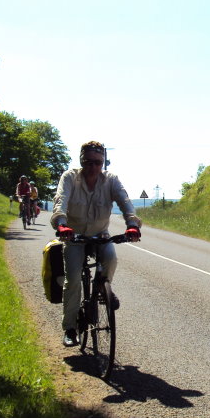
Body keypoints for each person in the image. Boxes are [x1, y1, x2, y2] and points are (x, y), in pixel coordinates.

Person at [51, 141, 142, 347]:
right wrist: (62, 224)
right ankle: (70, 328)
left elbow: (125, 201)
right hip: (73, 237)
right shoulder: (70, 178)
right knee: (73, 278)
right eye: (88, 162)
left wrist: (132, 225)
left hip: (100, 235)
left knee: (111, 257)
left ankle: (103, 287)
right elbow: (61, 200)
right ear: (81, 161)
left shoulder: (110, 180)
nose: (93, 167)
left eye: (98, 163)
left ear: (104, 163)